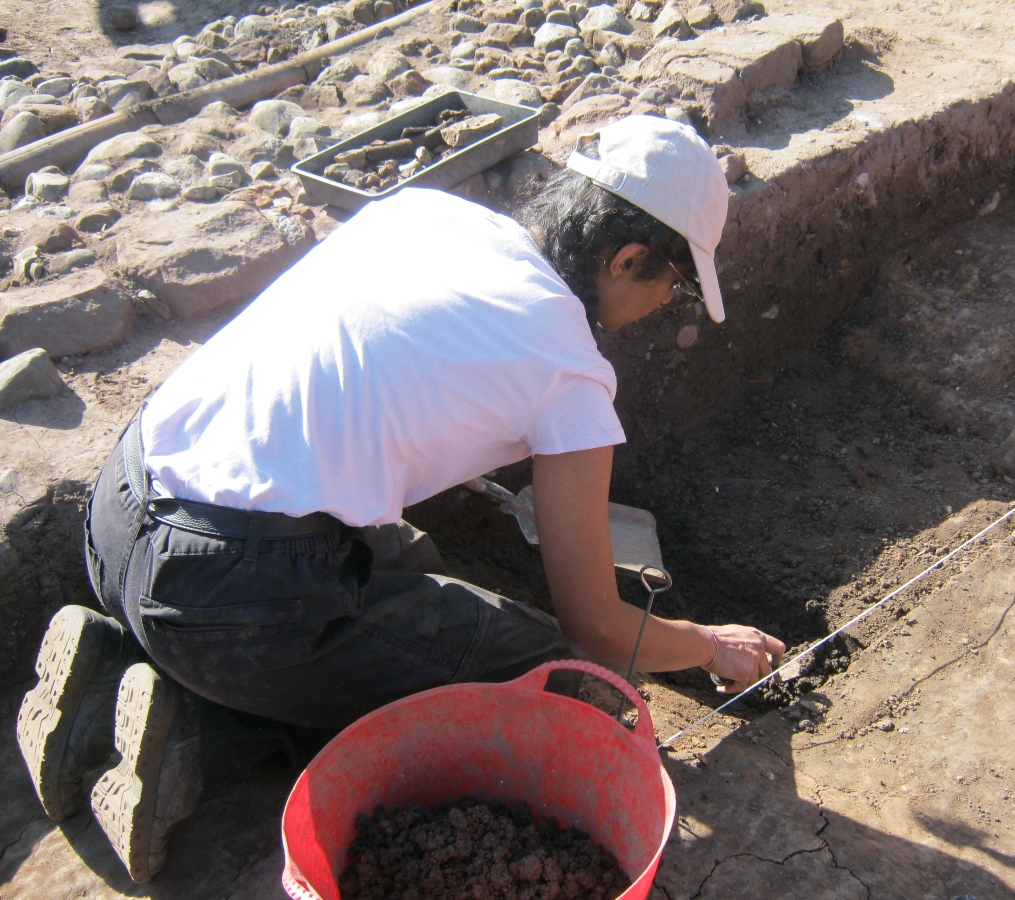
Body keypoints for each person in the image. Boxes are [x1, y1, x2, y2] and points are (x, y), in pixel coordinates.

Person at [16, 115, 785, 883]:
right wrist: (709, 646)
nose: (666, 304)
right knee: (554, 678)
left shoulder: (428, 214)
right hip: (219, 593)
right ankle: (198, 737)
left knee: (409, 563)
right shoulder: (571, 374)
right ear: (627, 259)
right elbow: (599, 628)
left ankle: (128, 660)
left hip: (121, 502)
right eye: (675, 286)